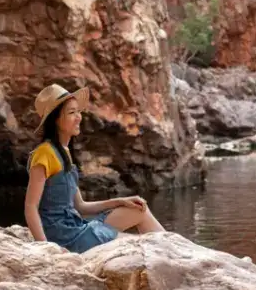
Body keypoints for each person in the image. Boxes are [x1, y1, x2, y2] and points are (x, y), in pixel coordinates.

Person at [23, 83, 164, 253]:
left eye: (78, 111)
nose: (79, 117)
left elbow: (81, 207)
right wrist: (47, 249)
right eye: (71, 112)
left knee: (138, 209)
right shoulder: (43, 154)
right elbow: (30, 207)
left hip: (77, 227)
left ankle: (176, 253)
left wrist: (121, 201)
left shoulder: (64, 153)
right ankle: (175, 256)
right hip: (64, 236)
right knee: (138, 244)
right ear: (55, 120)